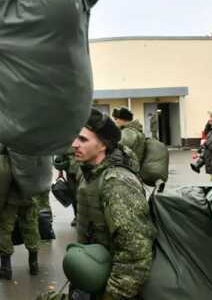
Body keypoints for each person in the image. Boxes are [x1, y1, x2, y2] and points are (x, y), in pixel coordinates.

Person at [71, 108, 155, 299]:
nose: (74, 144)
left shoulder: (116, 183)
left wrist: (112, 295)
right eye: (75, 138)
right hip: (93, 279)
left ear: (103, 146)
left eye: (83, 140)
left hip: (111, 286)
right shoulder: (90, 173)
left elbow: (135, 255)